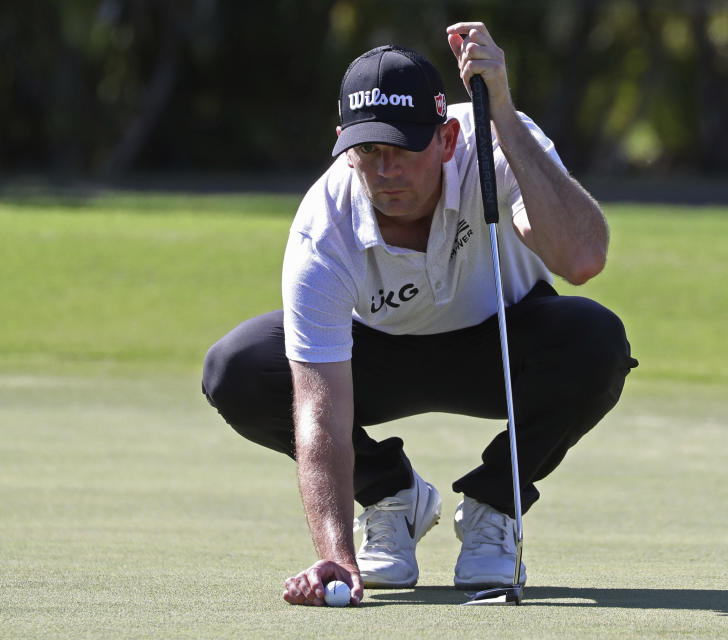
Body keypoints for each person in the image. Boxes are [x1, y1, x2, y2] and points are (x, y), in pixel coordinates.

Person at [201, 22, 637, 607]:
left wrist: (503, 112)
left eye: (404, 148)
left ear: (449, 138)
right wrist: (334, 553)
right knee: (239, 368)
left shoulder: (499, 144)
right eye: (368, 151)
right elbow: (318, 412)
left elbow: (583, 257)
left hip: (505, 345)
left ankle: (494, 503)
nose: (385, 171)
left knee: (597, 341)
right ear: (343, 144)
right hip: (377, 356)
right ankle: (390, 496)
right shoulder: (323, 225)